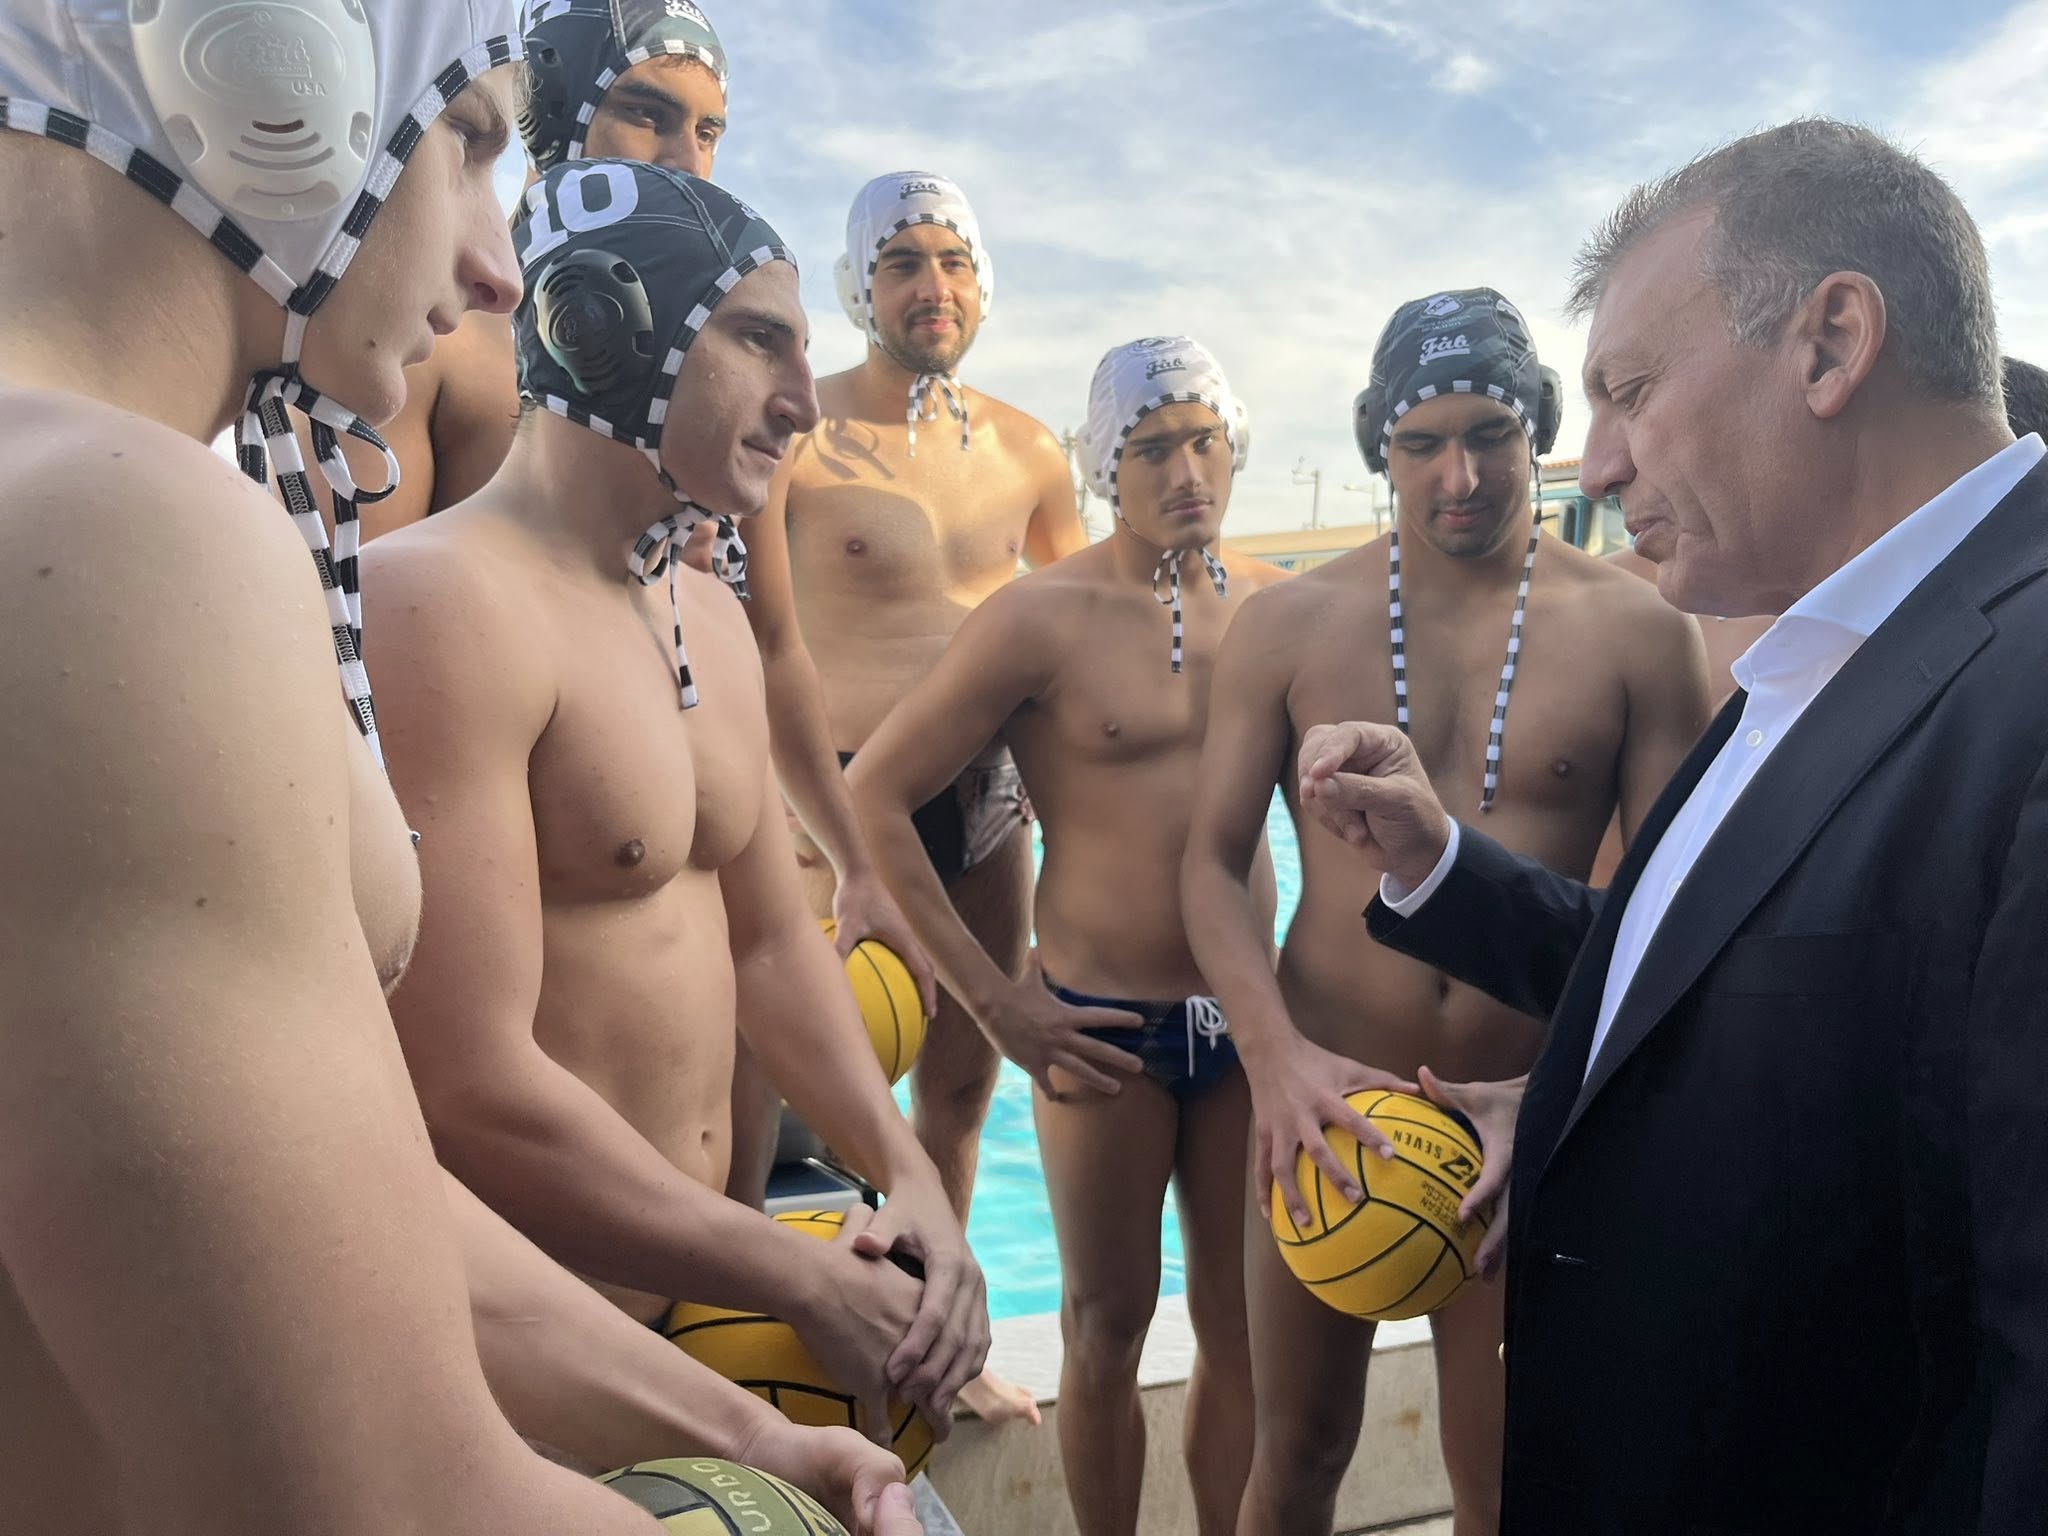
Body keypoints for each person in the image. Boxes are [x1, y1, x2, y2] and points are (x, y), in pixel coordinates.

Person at [1301, 119, 2048, 1534]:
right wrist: (1444, 874)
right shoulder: (1828, 656)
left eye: (1631, 392)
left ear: (1830, 344)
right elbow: (1731, 972)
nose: (1594, 467)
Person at [0, 2, 677, 1530]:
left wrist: (744, 1428)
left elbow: (285, 1214)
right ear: (268, 70)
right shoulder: (112, 534)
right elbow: (384, 1502)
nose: (499, 266)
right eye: (472, 142)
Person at [365, 160, 988, 1452]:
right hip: (524, 1365)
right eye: (758, 341)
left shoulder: (704, 613)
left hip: (703, 1302)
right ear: (603, 325)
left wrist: (909, 1174)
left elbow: (768, 944)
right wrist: (798, 1280)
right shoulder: (441, 606)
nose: (804, 401)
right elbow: (464, 1082)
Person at [1182, 289, 1712, 1535]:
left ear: (1539, 430)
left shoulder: (1638, 631)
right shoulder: (1288, 625)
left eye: (1489, 435)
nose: (1457, 477)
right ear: (1378, 443)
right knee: (1296, 1455)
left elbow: (1676, 913)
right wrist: (1272, 1060)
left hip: (1522, 1117)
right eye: (1420, 443)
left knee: (1505, 1479)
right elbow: (1209, 863)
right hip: (1325, 1102)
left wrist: (1553, 1096)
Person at [850, 338, 1285, 1534]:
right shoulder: (1040, 618)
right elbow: (873, 792)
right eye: (1150, 449)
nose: (1184, 472)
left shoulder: (1278, 609)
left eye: (1202, 441)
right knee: (1103, 1326)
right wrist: (997, 1006)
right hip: (1097, 1033)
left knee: (1239, 1328)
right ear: (1103, 466)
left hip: (1247, 1025)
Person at [738, 169, 1089, 1422]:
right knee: (783, 1093)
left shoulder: (1029, 449)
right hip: (826, 802)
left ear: (980, 285)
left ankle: (946, 1336)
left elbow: (1080, 632)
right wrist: (828, 838)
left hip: (982, 803)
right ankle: (759, 1339)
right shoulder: (800, 432)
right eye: (900, 263)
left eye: (951, 262)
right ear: (858, 287)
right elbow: (760, 638)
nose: (929, 287)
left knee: (958, 1089)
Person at [291, 0, 737, 541]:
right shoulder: (420, 333)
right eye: (647, 114)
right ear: (547, 113)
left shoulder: (718, 362)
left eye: (707, 134)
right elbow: (336, 589)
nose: (688, 162)